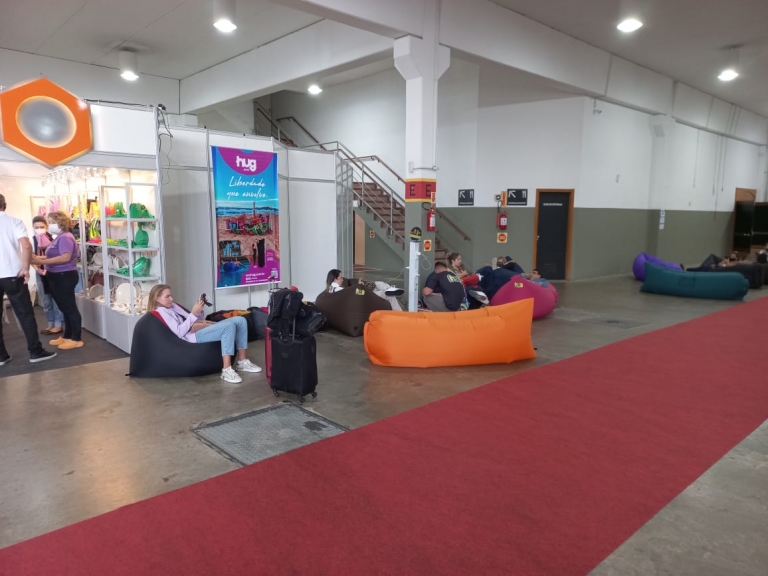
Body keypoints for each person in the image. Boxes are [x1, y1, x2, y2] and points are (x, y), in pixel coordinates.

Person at [147, 284, 261, 383]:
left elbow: (196, 320)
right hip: (191, 337)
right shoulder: (162, 312)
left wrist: (199, 310)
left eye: (171, 295)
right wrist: (193, 313)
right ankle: (226, 370)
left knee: (240, 320)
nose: (171, 299)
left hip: (197, 329)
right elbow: (180, 332)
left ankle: (242, 362)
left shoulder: (173, 306)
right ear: (157, 298)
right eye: (167, 296)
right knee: (228, 326)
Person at [0, 194, 57, 365]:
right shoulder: (14, 222)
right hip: (12, 274)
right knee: (25, 314)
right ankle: (35, 352)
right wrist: (25, 268)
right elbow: (26, 245)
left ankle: (1, 356)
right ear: (5, 205)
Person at [30, 212, 83, 350]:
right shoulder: (59, 237)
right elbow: (52, 255)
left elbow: (65, 257)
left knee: (69, 308)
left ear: (60, 222)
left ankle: (76, 338)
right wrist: (36, 258)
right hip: (57, 275)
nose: (49, 225)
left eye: (51, 222)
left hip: (64, 275)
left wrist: (42, 261)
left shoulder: (65, 237)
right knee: (64, 308)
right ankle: (67, 336)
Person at [31, 216, 64, 336]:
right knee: (46, 300)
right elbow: (31, 257)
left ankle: (58, 324)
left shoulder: (53, 238)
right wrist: (38, 270)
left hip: (53, 272)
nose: (39, 229)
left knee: (56, 299)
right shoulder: (33, 239)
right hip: (40, 272)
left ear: (46, 226)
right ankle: (50, 323)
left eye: (42, 226)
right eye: (36, 227)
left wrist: (44, 264)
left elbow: (57, 256)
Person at [325, 269, 403, 310]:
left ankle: (389, 288)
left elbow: (350, 293)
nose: (342, 280)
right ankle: (400, 315)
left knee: (376, 284)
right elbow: (353, 294)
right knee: (389, 295)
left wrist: (360, 286)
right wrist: (359, 286)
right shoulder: (337, 289)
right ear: (335, 279)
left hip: (364, 294)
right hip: (365, 297)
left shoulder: (332, 288)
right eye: (340, 278)